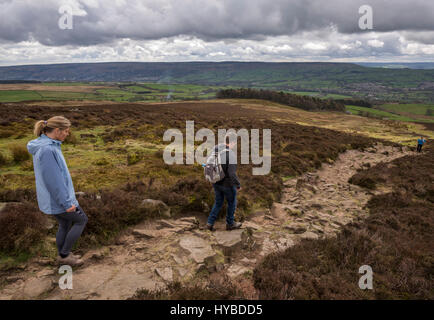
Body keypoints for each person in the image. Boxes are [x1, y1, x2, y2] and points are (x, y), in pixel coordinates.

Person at [27, 116, 87, 266]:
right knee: (81, 220)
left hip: (57, 198)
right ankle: (65, 256)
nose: (68, 134)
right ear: (57, 130)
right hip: (59, 200)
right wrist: (67, 203)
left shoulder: (49, 145)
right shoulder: (47, 150)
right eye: (66, 131)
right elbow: (54, 181)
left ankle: (63, 255)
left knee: (65, 224)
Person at [206, 132, 242, 231]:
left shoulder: (215, 149)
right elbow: (232, 174)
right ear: (233, 142)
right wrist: (238, 185)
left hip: (215, 182)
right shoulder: (230, 154)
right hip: (227, 185)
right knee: (232, 202)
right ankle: (230, 224)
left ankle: (210, 223)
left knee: (218, 203)